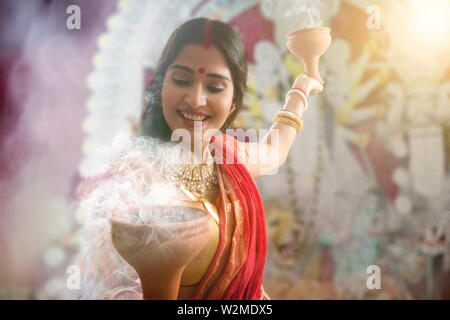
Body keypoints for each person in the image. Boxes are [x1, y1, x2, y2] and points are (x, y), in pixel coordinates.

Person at [78, 17, 323, 300]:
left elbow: (274, 152)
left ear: (234, 101)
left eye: (215, 87)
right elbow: (108, 290)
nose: (195, 100)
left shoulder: (228, 157)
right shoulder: (129, 181)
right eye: (182, 80)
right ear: (160, 87)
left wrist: (301, 89)